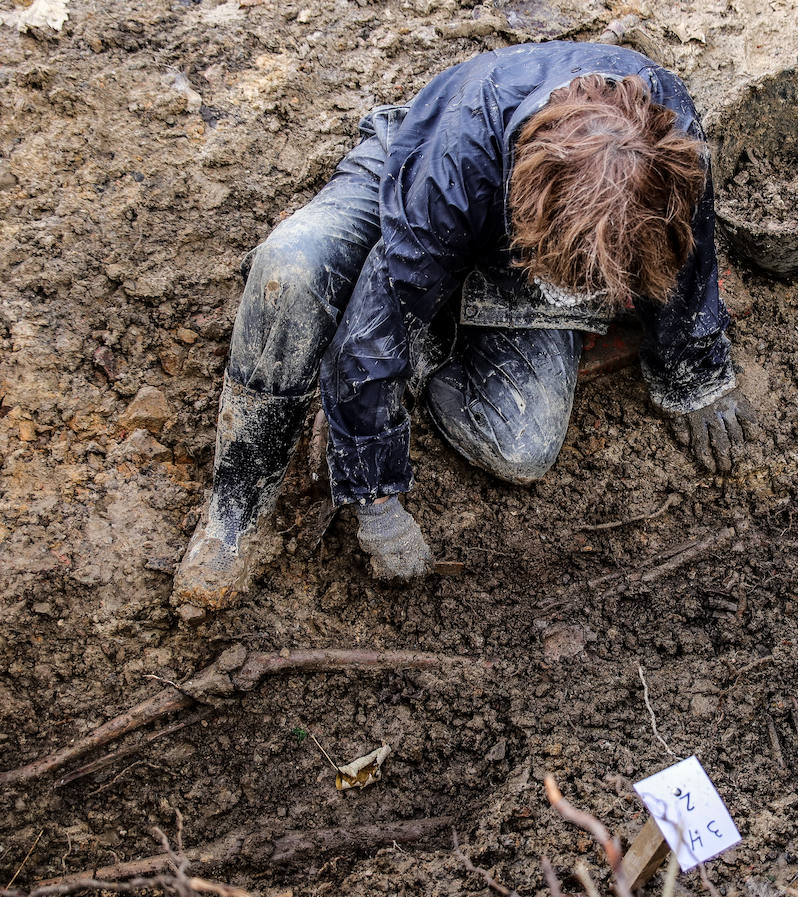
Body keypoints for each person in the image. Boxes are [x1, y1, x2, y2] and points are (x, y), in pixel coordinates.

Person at [171, 41, 759, 609]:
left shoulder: (669, 137)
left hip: (522, 258)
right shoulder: (452, 170)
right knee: (292, 268)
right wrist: (376, 499)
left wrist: (696, 373)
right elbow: (374, 335)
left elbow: (688, 254)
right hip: (415, 169)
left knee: (520, 448)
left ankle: (433, 340)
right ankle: (236, 505)